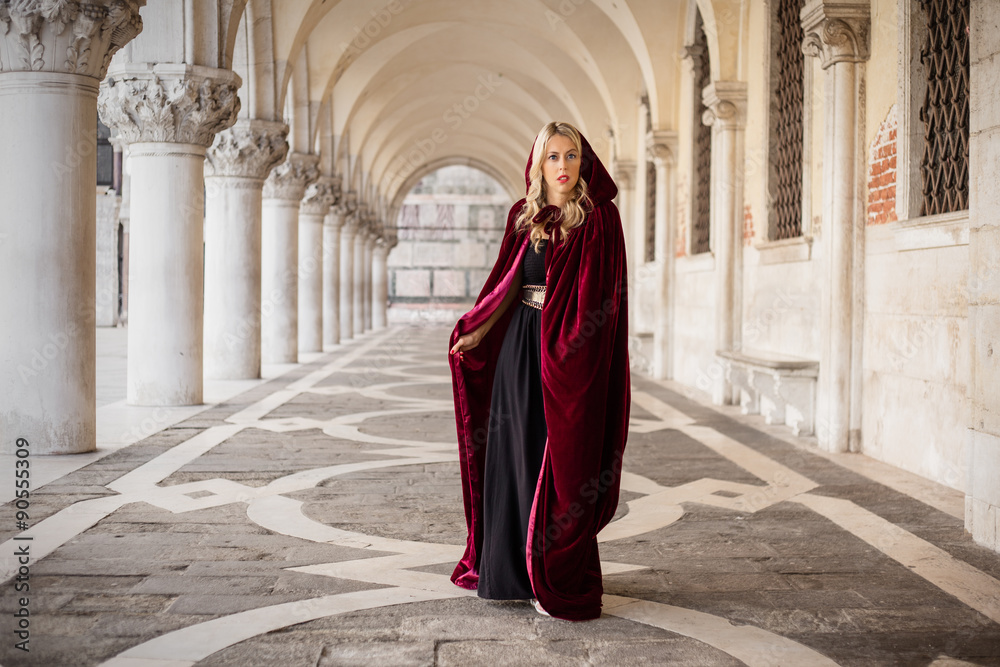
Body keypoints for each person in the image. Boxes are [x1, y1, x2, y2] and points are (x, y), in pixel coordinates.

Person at [447, 121, 631, 621]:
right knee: (513, 456)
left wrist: (573, 355)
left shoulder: (599, 220)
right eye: (553, 156)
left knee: (562, 468)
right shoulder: (523, 217)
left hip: (572, 359)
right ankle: (508, 572)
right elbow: (507, 287)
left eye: (572, 156)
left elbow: (603, 303)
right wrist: (478, 332)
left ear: (584, 162)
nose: (564, 166)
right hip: (521, 351)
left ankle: (551, 573)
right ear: (538, 164)